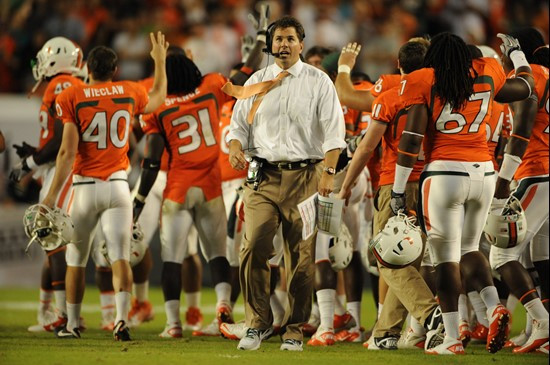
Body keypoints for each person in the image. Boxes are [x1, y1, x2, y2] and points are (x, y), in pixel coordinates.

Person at [392, 32, 534, 355]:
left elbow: (412, 139)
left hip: (444, 173)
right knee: (471, 249)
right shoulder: (487, 70)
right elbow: (526, 88)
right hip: (483, 172)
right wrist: (518, 56)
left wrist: (399, 191)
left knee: (445, 259)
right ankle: (494, 306)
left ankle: (453, 338)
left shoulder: (425, 79)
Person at [132, 25, 267, 339]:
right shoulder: (210, 86)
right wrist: (259, 41)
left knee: (172, 258)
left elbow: (151, 161)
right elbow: (245, 72)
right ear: (192, 68)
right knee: (217, 254)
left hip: (177, 189)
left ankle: (173, 323)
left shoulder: (160, 107)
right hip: (210, 188)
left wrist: (138, 200)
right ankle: (222, 305)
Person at [225, 15, 346, 351]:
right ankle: (257, 324)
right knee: (253, 247)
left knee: (302, 256)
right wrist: (235, 147)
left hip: (306, 177)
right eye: (278, 39)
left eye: (290, 39)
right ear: (270, 44)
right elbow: (237, 128)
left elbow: (335, 133)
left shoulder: (319, 81)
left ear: (301, 44)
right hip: (262, 176)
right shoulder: (257, 81)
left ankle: (294, 327)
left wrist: (328, 173)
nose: (283, 45)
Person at [42, 31, 168, 340]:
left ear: (87, 69)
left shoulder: (71, 96)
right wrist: (160, 62)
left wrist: (51, 196)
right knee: (120, 257)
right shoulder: (129, 90)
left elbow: (67, 153)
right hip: (118, 186)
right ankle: (122, 321)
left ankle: (71, 324)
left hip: (85, 188)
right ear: (114, 70)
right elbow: (158, 99)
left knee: (75, 260)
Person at [337, 39, 443, 351]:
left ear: (399, 65)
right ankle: (386, 332)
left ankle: (430, 313)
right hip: (433, 182)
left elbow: (348, 99)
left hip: (395, 181)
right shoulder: (440, 89)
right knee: (406, 259)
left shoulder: (391, 87)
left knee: (386, 257)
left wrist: (344, 66)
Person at [10, 37, 85, 333]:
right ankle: (50, 312)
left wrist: (30, 164)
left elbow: (61, 138)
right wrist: (36, 155)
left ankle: (63, 315)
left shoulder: (62, 84)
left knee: (54, 240)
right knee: (50, 242)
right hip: (56, 167)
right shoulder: (63, 84)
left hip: (64, 169)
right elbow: (52, 139)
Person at [489, 28, 549, 354]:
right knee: (541, 258)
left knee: (501, 254)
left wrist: (503, 180)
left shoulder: (535, 74)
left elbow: (523, 127)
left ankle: (542, 321)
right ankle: (540, 332)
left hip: (538, 172)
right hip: (546, 175)